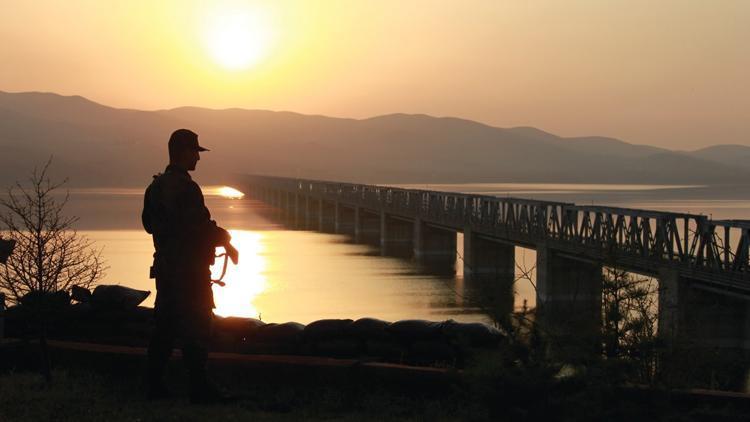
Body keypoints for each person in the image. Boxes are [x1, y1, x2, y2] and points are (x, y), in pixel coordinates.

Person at [142, 129, 239, 403]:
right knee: (197, 328)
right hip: (191, 272)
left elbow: (149, 225)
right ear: (183, 152)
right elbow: (200, 227)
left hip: (166, 270)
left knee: (164, 328)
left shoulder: (155, 187)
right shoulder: (187, 187)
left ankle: (155, 387)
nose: (198, 157)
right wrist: (226, 240)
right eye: (195, 151)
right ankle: (199, 388)